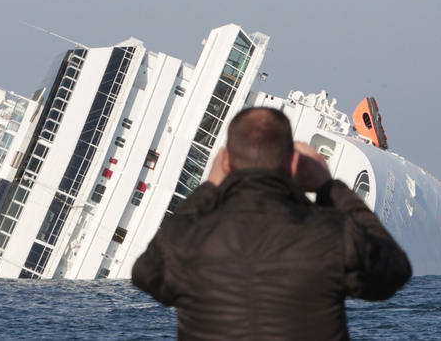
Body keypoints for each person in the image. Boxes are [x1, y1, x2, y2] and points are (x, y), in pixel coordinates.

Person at [132, 107, 412, 341]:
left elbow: (145, 274)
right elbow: (394, 269)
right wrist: (329, 187)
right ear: (293, 163)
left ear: (226, 163)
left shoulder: (186, 240)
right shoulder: (332, 233)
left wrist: (209, 188)